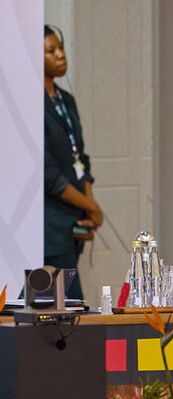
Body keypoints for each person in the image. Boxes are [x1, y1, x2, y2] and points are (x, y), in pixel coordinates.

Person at [44, 25, 103, 299]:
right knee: (68, 305)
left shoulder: (66, 100)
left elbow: (81, 158)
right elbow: (50, 177)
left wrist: (88, 210)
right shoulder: (31, 104)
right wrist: (93, 208)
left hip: (73, 223)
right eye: (51, 51)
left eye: (61, 48)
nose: (60, 55)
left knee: (69, 304)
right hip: (51, 227)